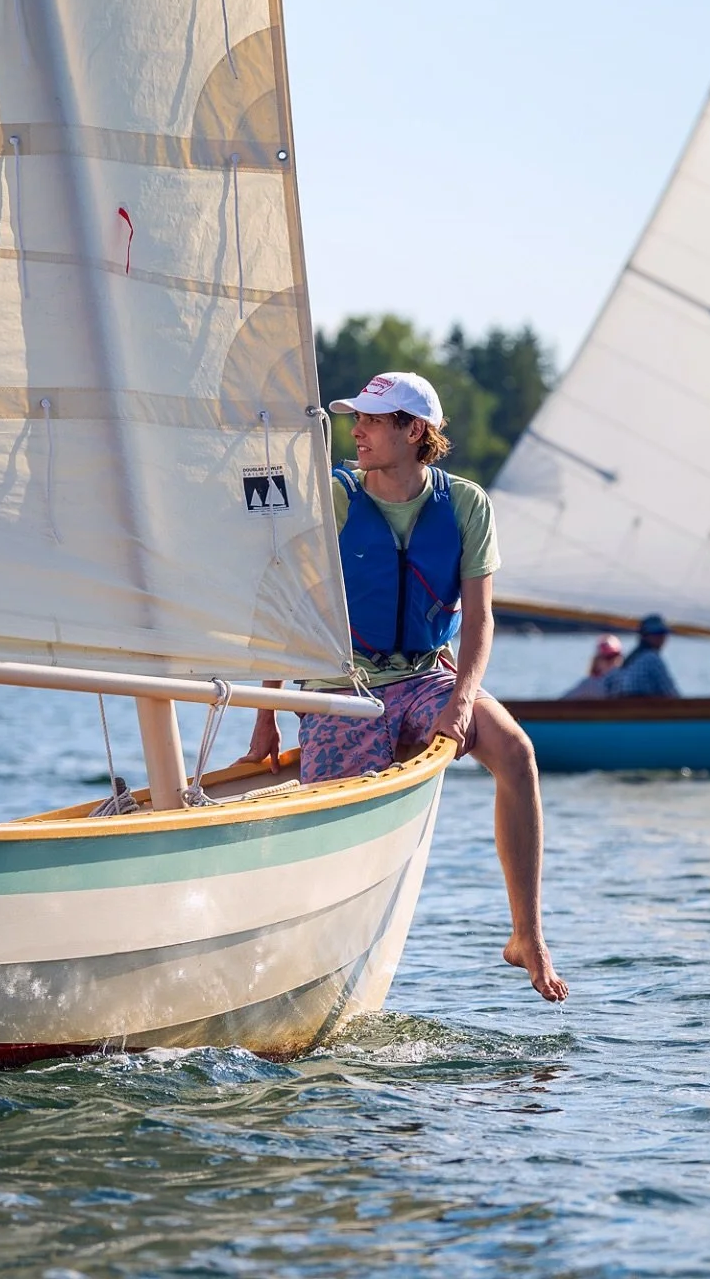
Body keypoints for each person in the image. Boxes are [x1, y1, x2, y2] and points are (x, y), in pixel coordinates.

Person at [243, 371, 567, 1003]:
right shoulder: (332, 496)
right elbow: (283, 603)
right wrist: (268, 712)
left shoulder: (468, 504)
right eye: (355, 419)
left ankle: (527, 934)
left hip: (425, 676)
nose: (356, 430)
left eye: (371, 419)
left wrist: (462, 702)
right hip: (341, 687)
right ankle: (307, 964)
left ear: (414, 430)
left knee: (517, 753)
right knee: (340, 822)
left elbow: (479, 620)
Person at [602, 614, 681, 697]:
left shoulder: (630, 659)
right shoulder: (651, 659)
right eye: (656, 634)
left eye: (663, 634)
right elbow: (670, 692)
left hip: (624, 707)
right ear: (645, 636)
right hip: (642, 708)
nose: (661, 638)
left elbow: (608, 683)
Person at [560, 635, 624, 701]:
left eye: (616, 656)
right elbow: (561, 703)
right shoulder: (589, 684)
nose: (613, 661)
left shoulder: (626, 681)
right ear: (597, 660)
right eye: (608, 657)